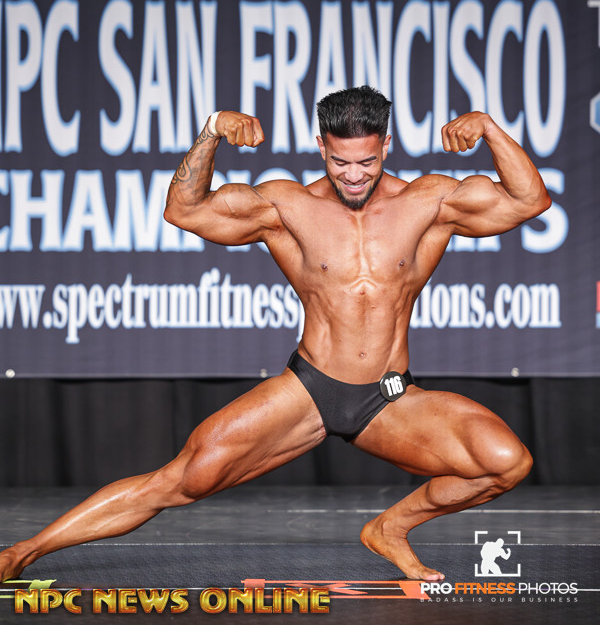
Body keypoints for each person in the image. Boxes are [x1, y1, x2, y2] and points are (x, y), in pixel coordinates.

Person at [0, 86, 550, 583]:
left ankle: (390, 527)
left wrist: (489, 128)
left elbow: (531, 200)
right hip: (309, 389)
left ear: (387, 145)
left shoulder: (429, 203)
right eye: (339, 162)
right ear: (320, 147)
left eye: (366, 161)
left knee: (507, 462)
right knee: (179, 481)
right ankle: (21, 553)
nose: (353, 175)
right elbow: (183, 211)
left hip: (389, 398)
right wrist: (212, 131)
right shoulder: (288, 206)